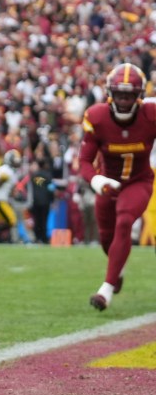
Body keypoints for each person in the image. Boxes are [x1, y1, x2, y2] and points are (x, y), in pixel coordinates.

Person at [79, 63, 156, 311]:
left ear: (139, 95)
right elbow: (83, 161)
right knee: (106, 239)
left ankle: (106, 290)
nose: (123, 100)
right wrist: (97, 180)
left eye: (129, 94)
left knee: (124, 221)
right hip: (107, 184)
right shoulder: (97, 117)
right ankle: (117, 271)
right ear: (110, 92)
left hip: (138, 181)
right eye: (119, 94)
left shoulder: (150, 115)